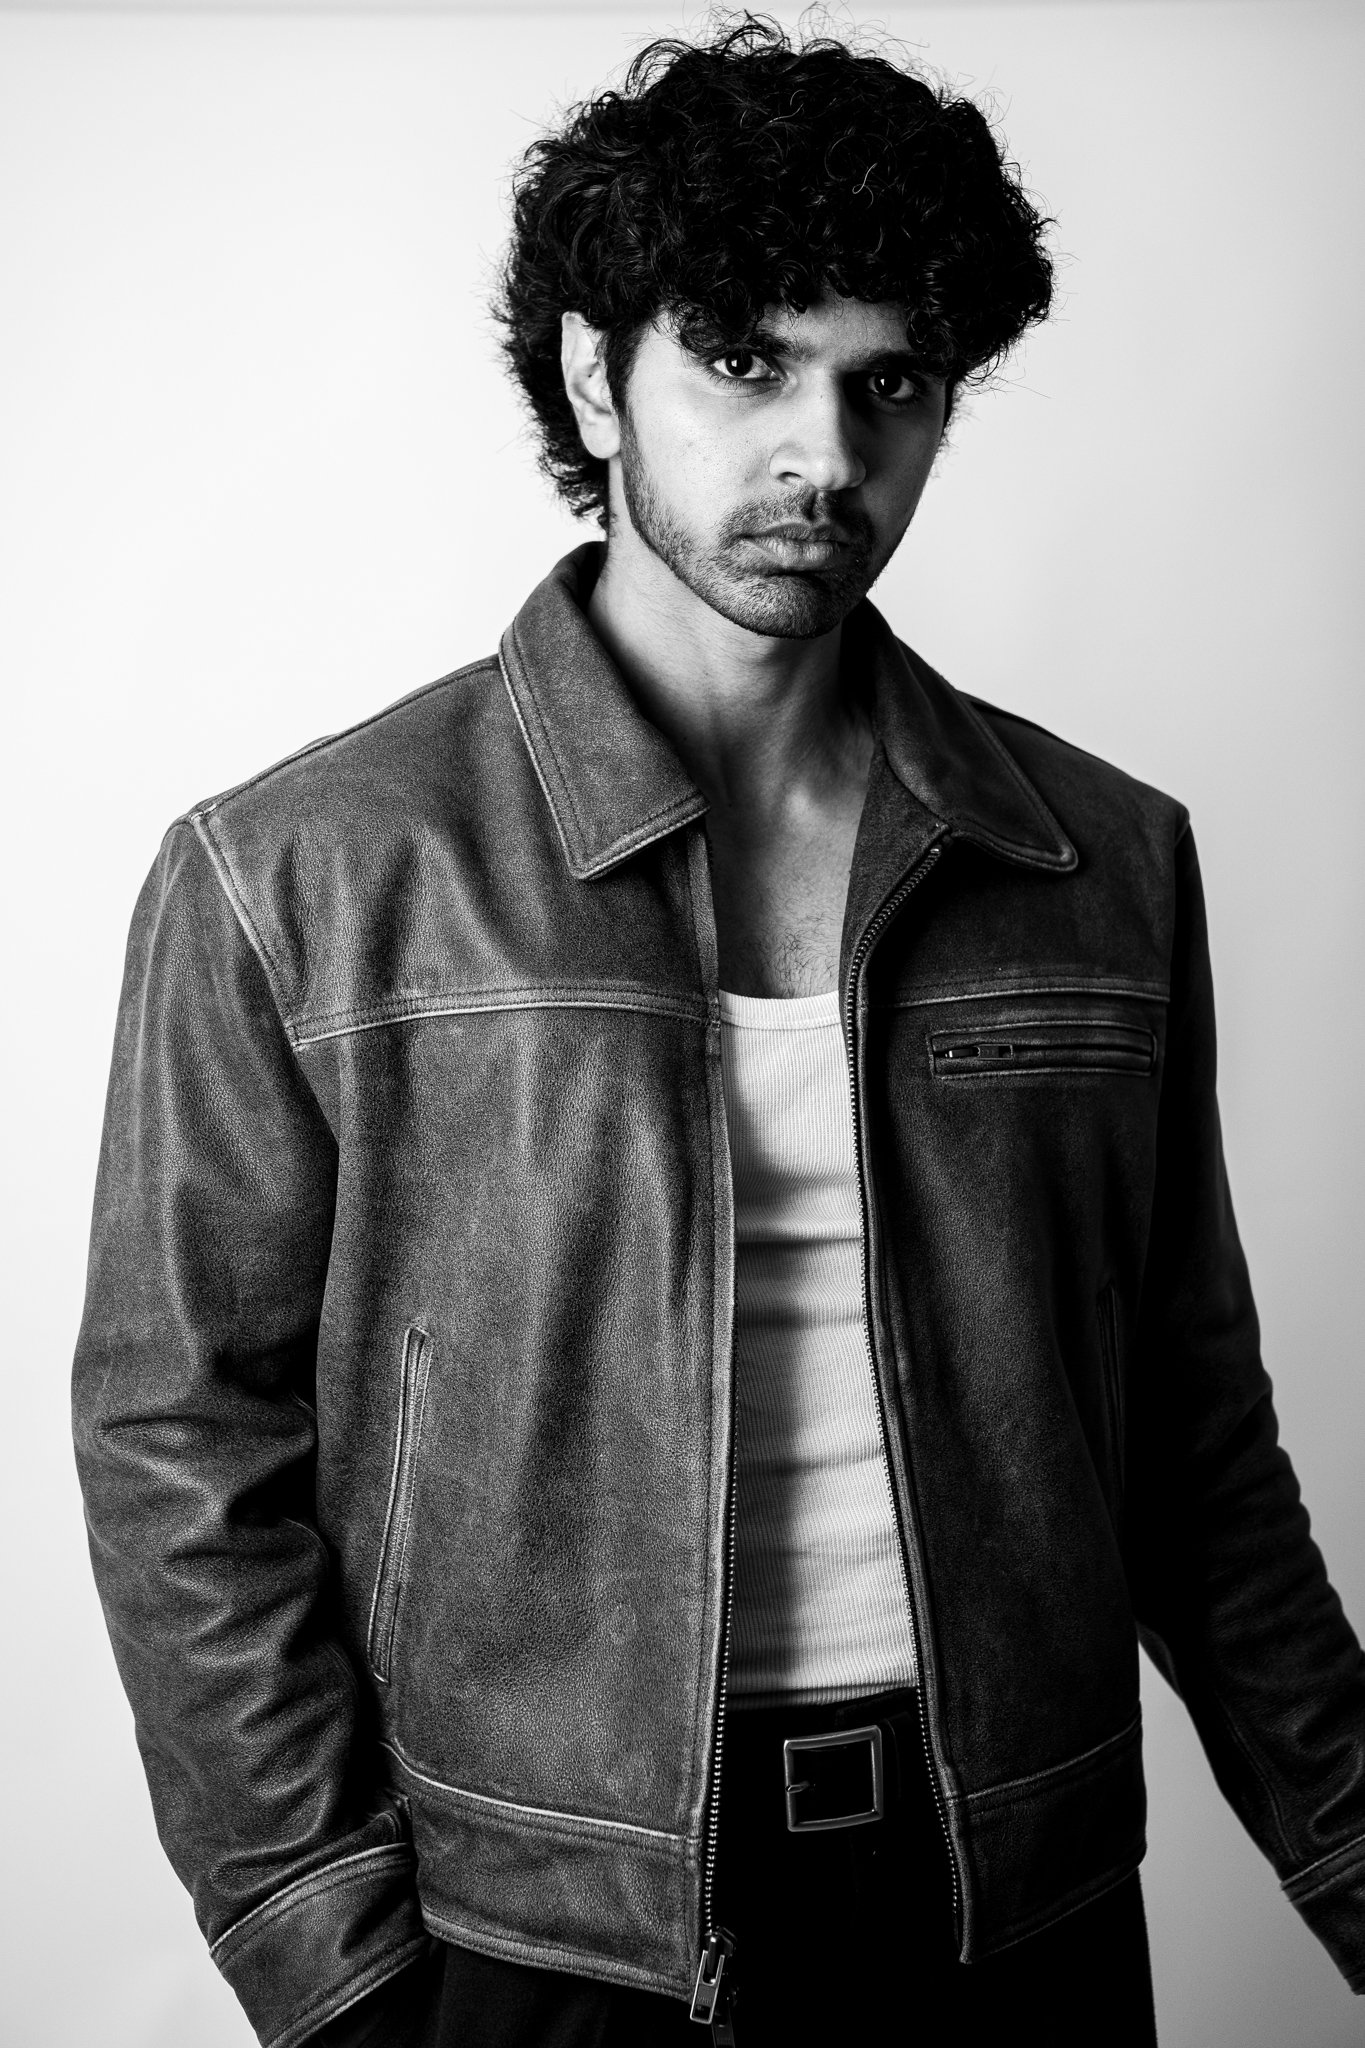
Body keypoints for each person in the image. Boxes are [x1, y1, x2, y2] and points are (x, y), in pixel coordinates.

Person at [73, 19, 1365, 2048]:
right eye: (744, 363)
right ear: (596, 374)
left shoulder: (1096, 859)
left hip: (1006, 1909)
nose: (824, 459)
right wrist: (336, 1971)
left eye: (890, 386)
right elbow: (181, 1451)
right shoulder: (300, 873)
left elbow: (1189, 1445)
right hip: (530, 1935)